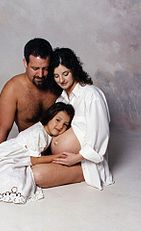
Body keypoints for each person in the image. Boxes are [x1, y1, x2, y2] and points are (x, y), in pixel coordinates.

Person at [0, 38, 61, 178]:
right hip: (30, 152)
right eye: (35, 68)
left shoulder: (57, 83)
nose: (40, 75)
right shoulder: (13, 89)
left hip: (57, 148)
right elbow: (2, 131)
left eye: (45, 69)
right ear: (25, 63)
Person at [0, 102, 74, 205]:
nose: (60, 126)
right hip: (9, 154)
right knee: (11, 178)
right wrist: (54, 157)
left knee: (14, 176)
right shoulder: (39, 134)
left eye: (65, 125)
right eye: (57, 120)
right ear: (50, 117)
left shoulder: (46, 133)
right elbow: (33, 160)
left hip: (19, 156)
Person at [32, 48, 114, 190]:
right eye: (56, 76)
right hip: (59, 157)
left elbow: (101, 136)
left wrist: (76, 158)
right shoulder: (62, 98)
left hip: (84, 163)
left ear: (74, 70)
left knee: (36, 175)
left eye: (65, 74)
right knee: (24, 165)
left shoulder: (91, 94)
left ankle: (80, 173)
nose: (61, 80)